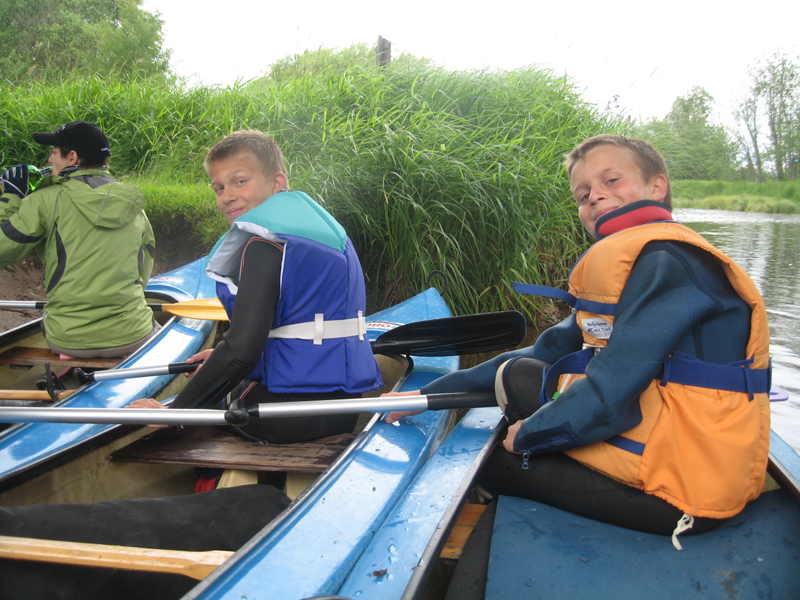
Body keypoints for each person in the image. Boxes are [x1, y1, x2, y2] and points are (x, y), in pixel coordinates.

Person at [388, 134, 771, 542]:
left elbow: (610, 397)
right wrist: (426, 396)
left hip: (687, 491)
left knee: (488, 461)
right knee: (519, 373)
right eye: (583, 194)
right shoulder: (635, 258)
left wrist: (530, 434)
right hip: (666, 437)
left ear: (657, 186)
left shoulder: (668, 261)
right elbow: (544, 351)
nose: (595, 196)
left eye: (612, 180)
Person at [131, 130, 383, 445]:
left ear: (277, 183)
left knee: (208, 399)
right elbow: (293, 328)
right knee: (220, 376)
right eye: (219, 187)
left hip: (285, 415)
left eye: (240, 181)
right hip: (342, 406)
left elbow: (241, 351)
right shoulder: (324, 234)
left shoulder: (265, 246)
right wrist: (218, 356)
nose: (227, 196)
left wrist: (175, 414)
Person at [0, 121, 157, 358]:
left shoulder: (44, 200)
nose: (50, 160)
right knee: (154, 331)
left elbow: (3, 249)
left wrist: (11, 198)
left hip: (67, 339)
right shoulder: (132, 203)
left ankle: (67, 372)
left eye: (54, 153)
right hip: (133, 334)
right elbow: (144, 270)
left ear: (72, 157)